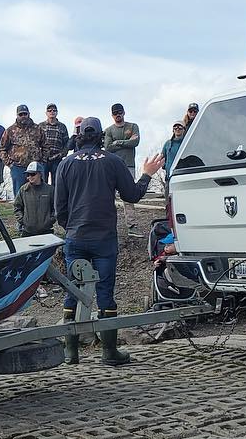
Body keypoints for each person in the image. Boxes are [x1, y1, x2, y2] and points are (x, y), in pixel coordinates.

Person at [54, 115, 165, 365]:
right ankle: (109, 353)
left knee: (72, 291)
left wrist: (70, 227)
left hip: (76, 237)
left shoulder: (66, 164)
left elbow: (59, 207)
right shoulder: (113, 161)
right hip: (104, 239)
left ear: (79, 136)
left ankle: (71, 353)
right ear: (101, 136)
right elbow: (133, 195)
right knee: (105, 293)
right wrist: (146, 174)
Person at [0, 104, 44, 196]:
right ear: (17, 115)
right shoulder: (10, 130)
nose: (23, 116)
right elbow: (1, 149)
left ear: (29, 114)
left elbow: (46, 146)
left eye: (25, 114)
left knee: (37, 194)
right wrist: (10, 163)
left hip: (35, 167)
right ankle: (19, 211)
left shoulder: (38, 129)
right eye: (21, 114)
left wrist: (42, 161)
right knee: (19, 194)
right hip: (18, 167)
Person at [13, 160, 55, 237]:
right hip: (27, 232)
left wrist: (50, 220)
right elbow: (17, 207)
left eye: (32, 174)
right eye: (28, 175)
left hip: (46, 231)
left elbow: (55, 208)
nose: (29, 177)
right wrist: (23, 221)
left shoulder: (50, 190)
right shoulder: (23, 189)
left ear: (40, 174)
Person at [38, 104, 70, 186]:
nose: (52, 112)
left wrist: (62, 154)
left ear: (57, 113)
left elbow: (67, 143)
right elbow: (36, 142)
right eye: (49, 110)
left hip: (57, 159)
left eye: (54, 110)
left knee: (57, 183)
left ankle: (55, 199)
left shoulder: (62, 127)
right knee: (42, 182)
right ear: (46, 113)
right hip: (43, 159)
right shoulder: (40, 126)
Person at [103, 104, 140, 168]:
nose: (117, 115)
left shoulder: (133, 126)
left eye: (120, 112)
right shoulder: (108, 130)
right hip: (114, 165)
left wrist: (117, 142)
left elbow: (135, 142)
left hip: (129, 165)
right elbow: (108, 148)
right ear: (112, 115)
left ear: (124, 113)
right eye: (115, 113)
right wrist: (128, 142)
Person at [160, 121, 185, 188]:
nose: (177, 129)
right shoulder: (167, 144)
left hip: (183, 176)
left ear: (184, 130)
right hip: (169, 177)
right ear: (173, 130)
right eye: (175, 128)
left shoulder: (186, 143)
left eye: (180, 128)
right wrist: (166, 166)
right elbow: (162, 158)